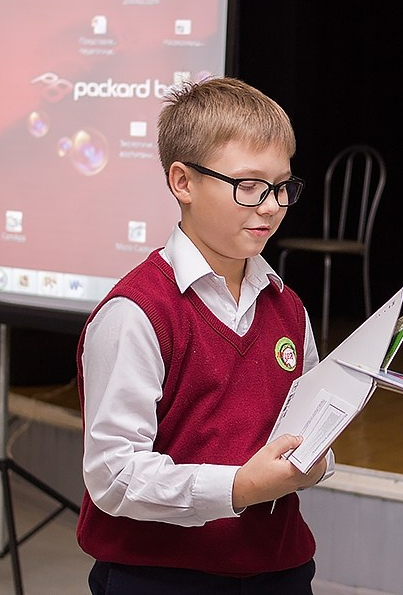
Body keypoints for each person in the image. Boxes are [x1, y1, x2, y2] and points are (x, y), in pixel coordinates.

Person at [76, 76, 333, 594]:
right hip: (159, 576)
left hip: (278, 569)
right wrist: (238, 487)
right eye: (249, 186)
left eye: (283, 186)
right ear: (183, 183)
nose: (271, 206)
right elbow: (113, 475)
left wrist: (317, 454)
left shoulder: (287, 307)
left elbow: (305, 427)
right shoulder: (137, 312)